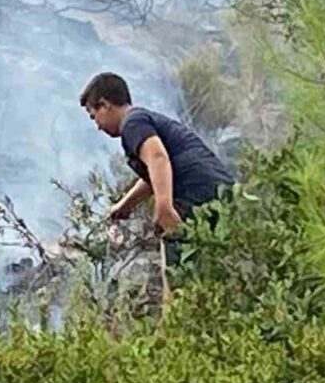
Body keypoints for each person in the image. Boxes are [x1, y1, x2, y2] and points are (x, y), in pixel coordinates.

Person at [80, 71, 234, 267]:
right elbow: (154, 175)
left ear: (105, 104)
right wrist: (124, 205)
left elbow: (158, 159)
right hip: (220, 190)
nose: (98, 127)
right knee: (216, 260)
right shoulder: (142, 120)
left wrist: (163, 206)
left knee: (179, 265)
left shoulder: (132, 123)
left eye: (94, 117)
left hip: (196, 193)